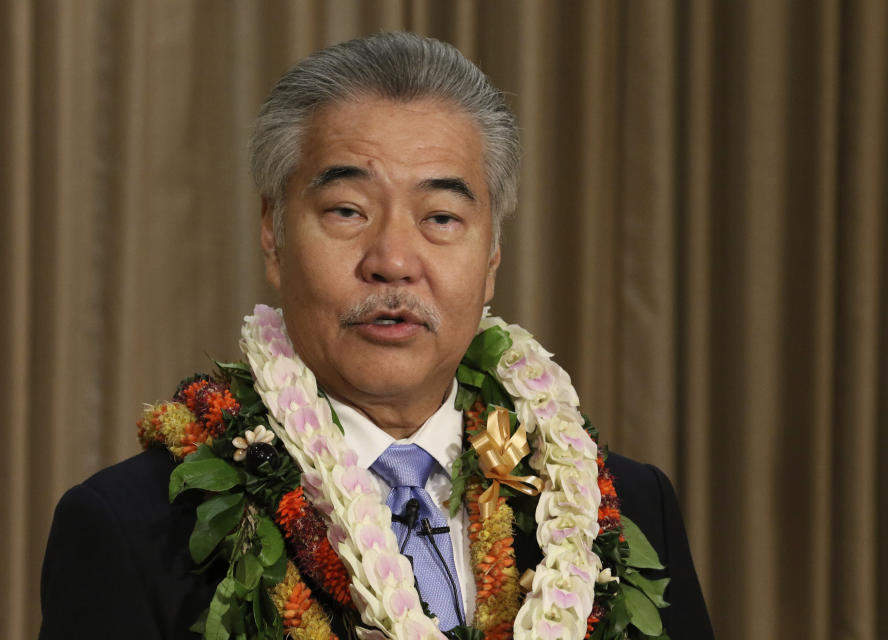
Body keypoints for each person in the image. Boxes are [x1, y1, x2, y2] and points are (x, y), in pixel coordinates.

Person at [39, 32, 713, 640]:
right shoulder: (134, 530)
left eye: (441, 218)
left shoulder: (619, 506)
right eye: (347, 211)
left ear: (492, 261)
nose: (392, 259)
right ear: (273, 236)